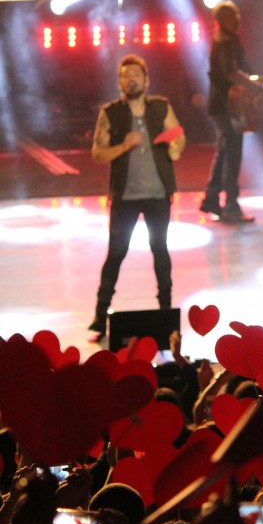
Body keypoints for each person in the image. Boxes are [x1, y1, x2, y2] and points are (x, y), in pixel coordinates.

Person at [88, 53, 185, 338]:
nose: (131, 79)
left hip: (158, 194)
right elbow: (97, 152)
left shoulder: (160, 107)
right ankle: (98, 318)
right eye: (125, 75)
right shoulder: (111, 113)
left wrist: (175, 148)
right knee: (116, 254)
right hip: (125, 197)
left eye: (136, 75)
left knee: (161, 251)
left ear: (146, 80)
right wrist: (124, 146)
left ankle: (166, 315)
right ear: (119, 82)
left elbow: (177, 133)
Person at [199, 0, 260, 224]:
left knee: (225, 151)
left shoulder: (225, 41)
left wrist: (254, 79)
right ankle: (231, 206)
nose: (239, 20)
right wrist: (255, 85)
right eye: (235, 16)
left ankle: (211, 198)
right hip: (227, 106)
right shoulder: (225, 42)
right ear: (224, 19)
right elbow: (231, 72)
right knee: (232, 153)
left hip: (221, 105)